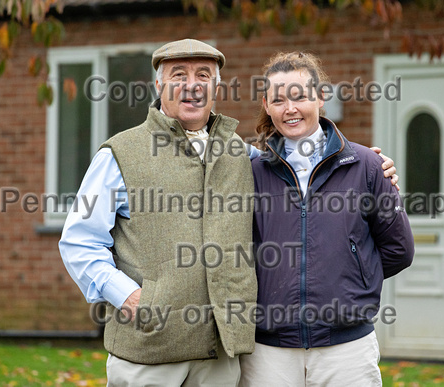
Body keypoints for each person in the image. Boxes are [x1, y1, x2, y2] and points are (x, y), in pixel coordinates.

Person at [59, 40, 399, 386]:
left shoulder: (242, 154)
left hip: (220, 357)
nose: (192, 85)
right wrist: (128, 297)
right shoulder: (119, 154)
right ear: (159, 85)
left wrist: (364, 164)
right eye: (179, 75)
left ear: (216, 87)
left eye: (203, 75)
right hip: (149, 352)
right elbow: (79, 241)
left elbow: (298, 163)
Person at [239, 52, 414, 387]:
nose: (290, 109)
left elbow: (398, 250)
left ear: (321, 97)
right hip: (268, 350)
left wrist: (351, 275)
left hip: (347, 348)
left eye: (300, 96)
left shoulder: (366, 166)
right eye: (278, 100)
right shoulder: (251, 173)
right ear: (266, 104)